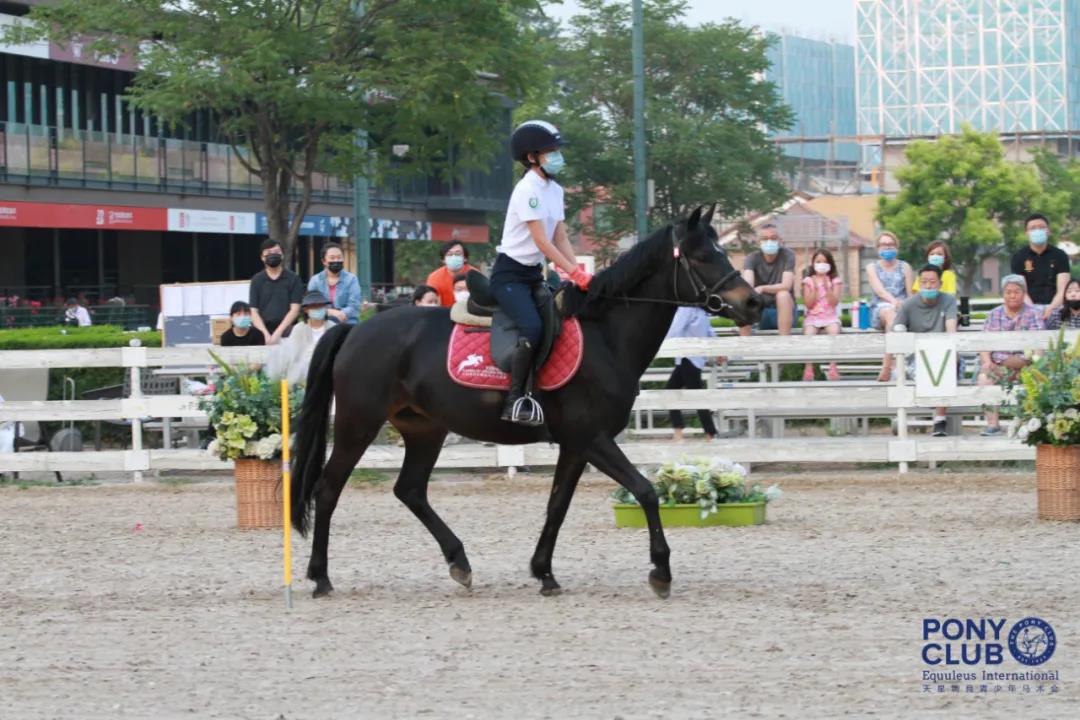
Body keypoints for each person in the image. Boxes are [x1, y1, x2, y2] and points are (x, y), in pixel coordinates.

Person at [493, 119, 591, 425]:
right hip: (510, 275)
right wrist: (573, 271)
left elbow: (560, 237)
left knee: (560, 321)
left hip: (533, 275)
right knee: (532, 327)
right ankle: (515, 400)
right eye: (551, 152)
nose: (558, 156)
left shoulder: (555, 190)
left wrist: (577, 272)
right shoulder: (527, 190)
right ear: (532, 157)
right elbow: (541, 241)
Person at [893, 264, 958, 437]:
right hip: (916, 357)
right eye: (924, 282)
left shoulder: (949, 301)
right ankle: (901, 417)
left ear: (940, 283)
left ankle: (940, 419)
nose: (928, 286)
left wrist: (950, 347)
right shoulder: (908, 305)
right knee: (901, 371)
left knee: (949, 363)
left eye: (932, 282)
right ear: (919, 283)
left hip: (942, 354)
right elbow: (897, 331)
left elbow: (951, 328)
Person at [977, 275, 1043, 436]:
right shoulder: (994, 314)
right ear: (1003, 294)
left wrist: (1036, 365)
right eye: (1008, 292)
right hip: (999, 366)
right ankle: (993, 425)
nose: (1012, 295)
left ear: (1024, 293)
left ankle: (1031, 425)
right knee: (984, 378)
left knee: (1039, 377)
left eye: (1016, 292)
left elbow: (1039, 344)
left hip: (1026, 367)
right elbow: (984, 344)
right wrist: (987, 362)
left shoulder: (1034, 313)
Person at [663, 306, 719, 441]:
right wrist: (718, 350)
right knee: (672, 391)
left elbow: (674, 330)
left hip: (687, 358)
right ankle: (680, 431)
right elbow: (710, 332)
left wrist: (659, 344)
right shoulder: (701, 310)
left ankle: (708, 433)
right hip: (692, 359)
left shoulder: (686, 309)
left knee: (695, 397)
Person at [866, 231, 914, 382]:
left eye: (890, 244)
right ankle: (888, 365)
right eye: (883, 244)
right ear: (878, 248)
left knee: (895, 320)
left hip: (902, 310)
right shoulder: (872, 267)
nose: (887, 247)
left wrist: (906, 307)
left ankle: (894, 366)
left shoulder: (905, 267)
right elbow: (879, 290)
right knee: (889, 313)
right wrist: (894, 302)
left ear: (896, 247)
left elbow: (910, 293)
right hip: (881, 309)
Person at [737, 224, 795, 336]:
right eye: (765, 239)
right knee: (745, 296)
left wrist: (762, 288)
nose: (769, 242)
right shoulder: (751, 258)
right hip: (760, 309)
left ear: (780, 240)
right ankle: (744, 343)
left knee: (783, 294)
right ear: (759, 242)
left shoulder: (788, 255)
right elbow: (748, 283)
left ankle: (784, 342)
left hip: (785, 308)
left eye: (773, 238)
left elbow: (786, 285)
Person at [268, 291, 335, 386]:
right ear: (306, 310)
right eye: (314, 307)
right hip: (302, 374)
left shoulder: (333, 327)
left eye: (321, 306)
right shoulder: (299, 328)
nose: (318, 309)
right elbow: (293, 354)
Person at [1011, 213, 1069, 319]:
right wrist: (1033, 311)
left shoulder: (1060, 255)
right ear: (1026, 233)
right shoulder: (1018, 257)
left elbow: (1063, 290)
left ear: (1048, 231)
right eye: (1033, 228)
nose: (1037, 230)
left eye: (1041, 227)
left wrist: (1051, 309)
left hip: (1057, 308)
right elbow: (1020, 289)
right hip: (1028, 309)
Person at [249, 239, 304, 345]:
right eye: (269, 253)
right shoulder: (256, 280)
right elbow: (253, 311)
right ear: (262, 257)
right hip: (262, 328)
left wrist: (278, 333)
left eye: (276, 252)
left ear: (282, 255)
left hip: (287, 329)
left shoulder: (294, 279)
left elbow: (295, 309)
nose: (273, 255)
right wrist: (264, 333)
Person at [800, 248, 843, 381]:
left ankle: (833, 366)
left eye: (824, 262)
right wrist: (815, 287)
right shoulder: (808, 280)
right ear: (813, 263)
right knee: (808, 335)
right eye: (818, 262)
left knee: (834, 331)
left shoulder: (835, 280)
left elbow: (834, 302)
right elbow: (808, 304)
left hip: (830, 316)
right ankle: (808, 368)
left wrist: (827, 287)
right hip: (813, 317)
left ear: (830, 264)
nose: (821, 264)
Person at [307, 242, 362, 324]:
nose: (336, 260)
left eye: (339, 257)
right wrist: (331, 312)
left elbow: (354, 306)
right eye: (332, 258)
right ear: (324, 261)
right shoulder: (315, 280)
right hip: (321, 323)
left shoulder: (352, 279)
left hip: (347, 322)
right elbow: (311, 305)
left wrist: (340, 314)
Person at [426, 241, 478, 307]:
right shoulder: (434, 278)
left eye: (458, 254)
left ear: (465, 258)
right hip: (443, 312)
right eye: (449, 254)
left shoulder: (475, 275)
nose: (454, 257)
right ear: (443, 260)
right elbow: (432, 303)